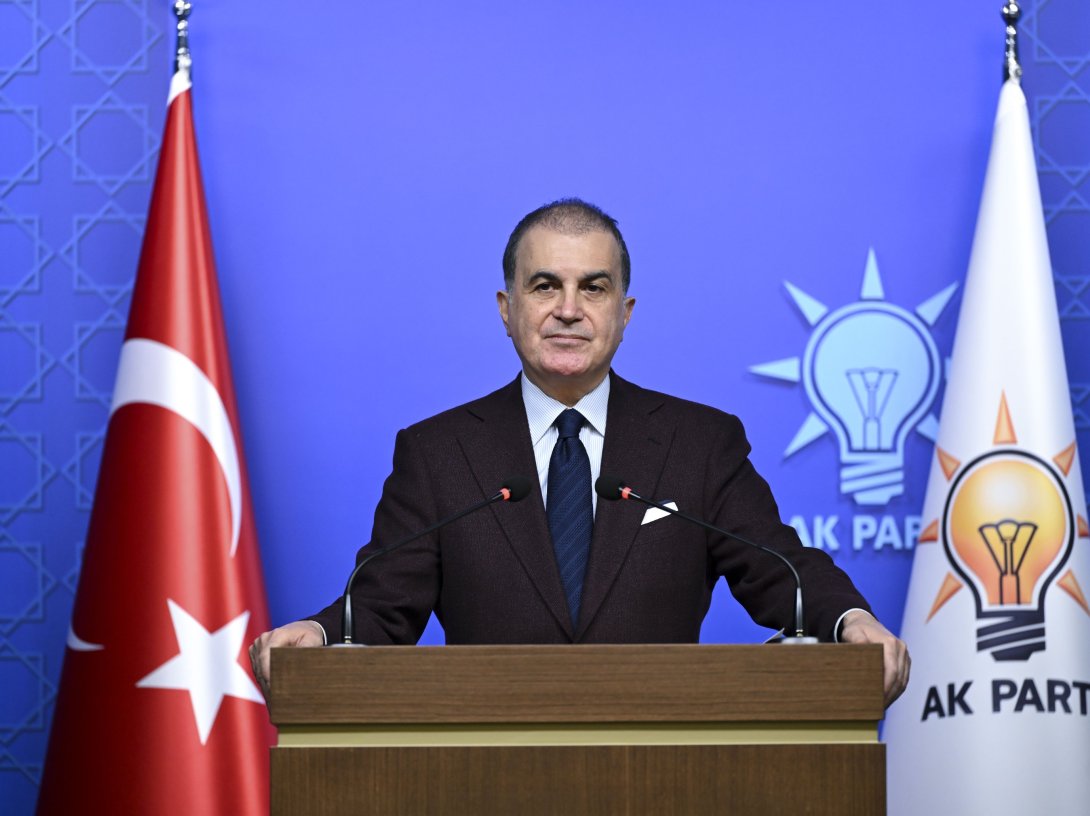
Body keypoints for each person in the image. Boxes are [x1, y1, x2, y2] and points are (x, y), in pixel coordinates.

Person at [250, 199, 910, 706]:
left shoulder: (699, 442)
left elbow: (781, 570)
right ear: (506, 308)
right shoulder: (438, 452)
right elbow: (380, 606)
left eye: (592, 288)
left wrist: (849, 620)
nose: (569, 309)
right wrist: (321, 633)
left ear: (625, 312)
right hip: (483, 770)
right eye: (545, 286)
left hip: (666, 769)